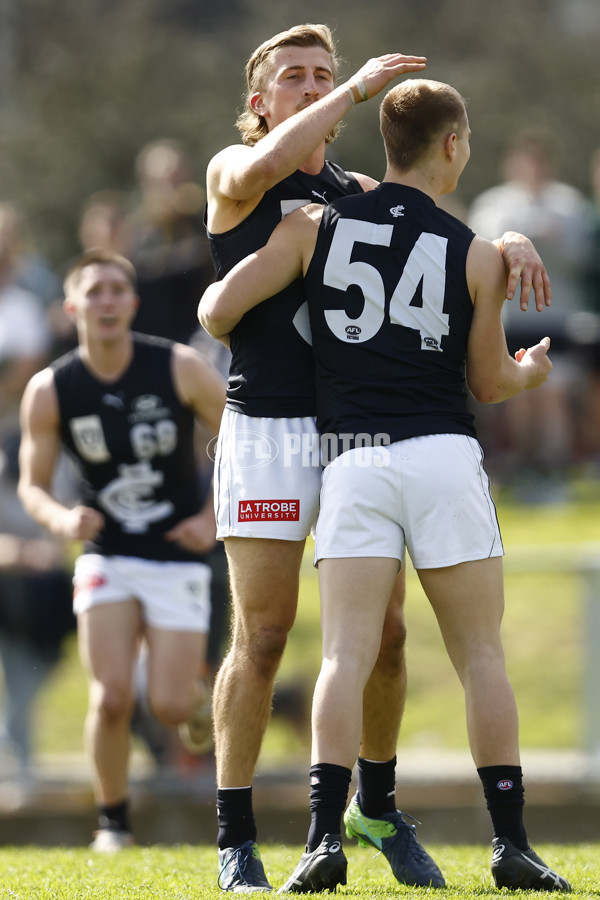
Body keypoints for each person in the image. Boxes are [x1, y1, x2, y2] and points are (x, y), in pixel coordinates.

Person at [199, 79, 571, 893]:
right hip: (440, 455)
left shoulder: (314, 227)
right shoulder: (474, 249)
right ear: (451, 146)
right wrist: (531, 372)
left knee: (341, 656)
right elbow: (487, 380)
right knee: (480, 656)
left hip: (352, 460)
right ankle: (511, 844)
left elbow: (219, 309)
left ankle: (322, 840)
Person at [17, 248, 226, 851]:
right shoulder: (51, 388)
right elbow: (31, 484)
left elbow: (241, 436)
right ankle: (113, 824)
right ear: (72, 306)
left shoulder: (180, 367)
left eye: (117, 290)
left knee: (166, 704)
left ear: (132, 303)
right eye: (94, 290)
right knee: (109, 698)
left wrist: (213, 517)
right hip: (107, 553)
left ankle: (195, 693)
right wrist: (59, 517)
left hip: (177, 552)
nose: (106, 300)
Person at [468, 130, 591, 497]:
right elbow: (481, 252)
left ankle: (553, 465)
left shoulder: (568, 205)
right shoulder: (495, 204)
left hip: (558, 320)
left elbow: (583, 257)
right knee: (519, 396)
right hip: (513, 321)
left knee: (553, 391)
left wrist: (554, 238)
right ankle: (523, 463)